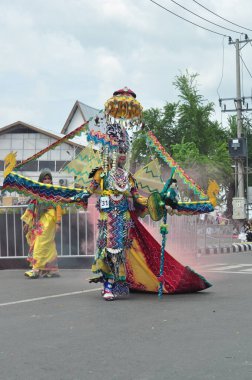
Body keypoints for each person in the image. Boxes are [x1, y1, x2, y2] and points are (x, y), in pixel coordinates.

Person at [22, 169, 62, 278]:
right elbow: (32, 206)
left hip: (50, 219)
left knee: (40, 242)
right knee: (48, 243)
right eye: (45, 178)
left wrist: (58, 222)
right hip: (40, 220)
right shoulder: (37, 192)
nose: (47, 180)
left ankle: (36, 269)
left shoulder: (54, 191)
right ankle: (51, 269)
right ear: (41, 179)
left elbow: (58, 206)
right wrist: (27, 222)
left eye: (49, 178)